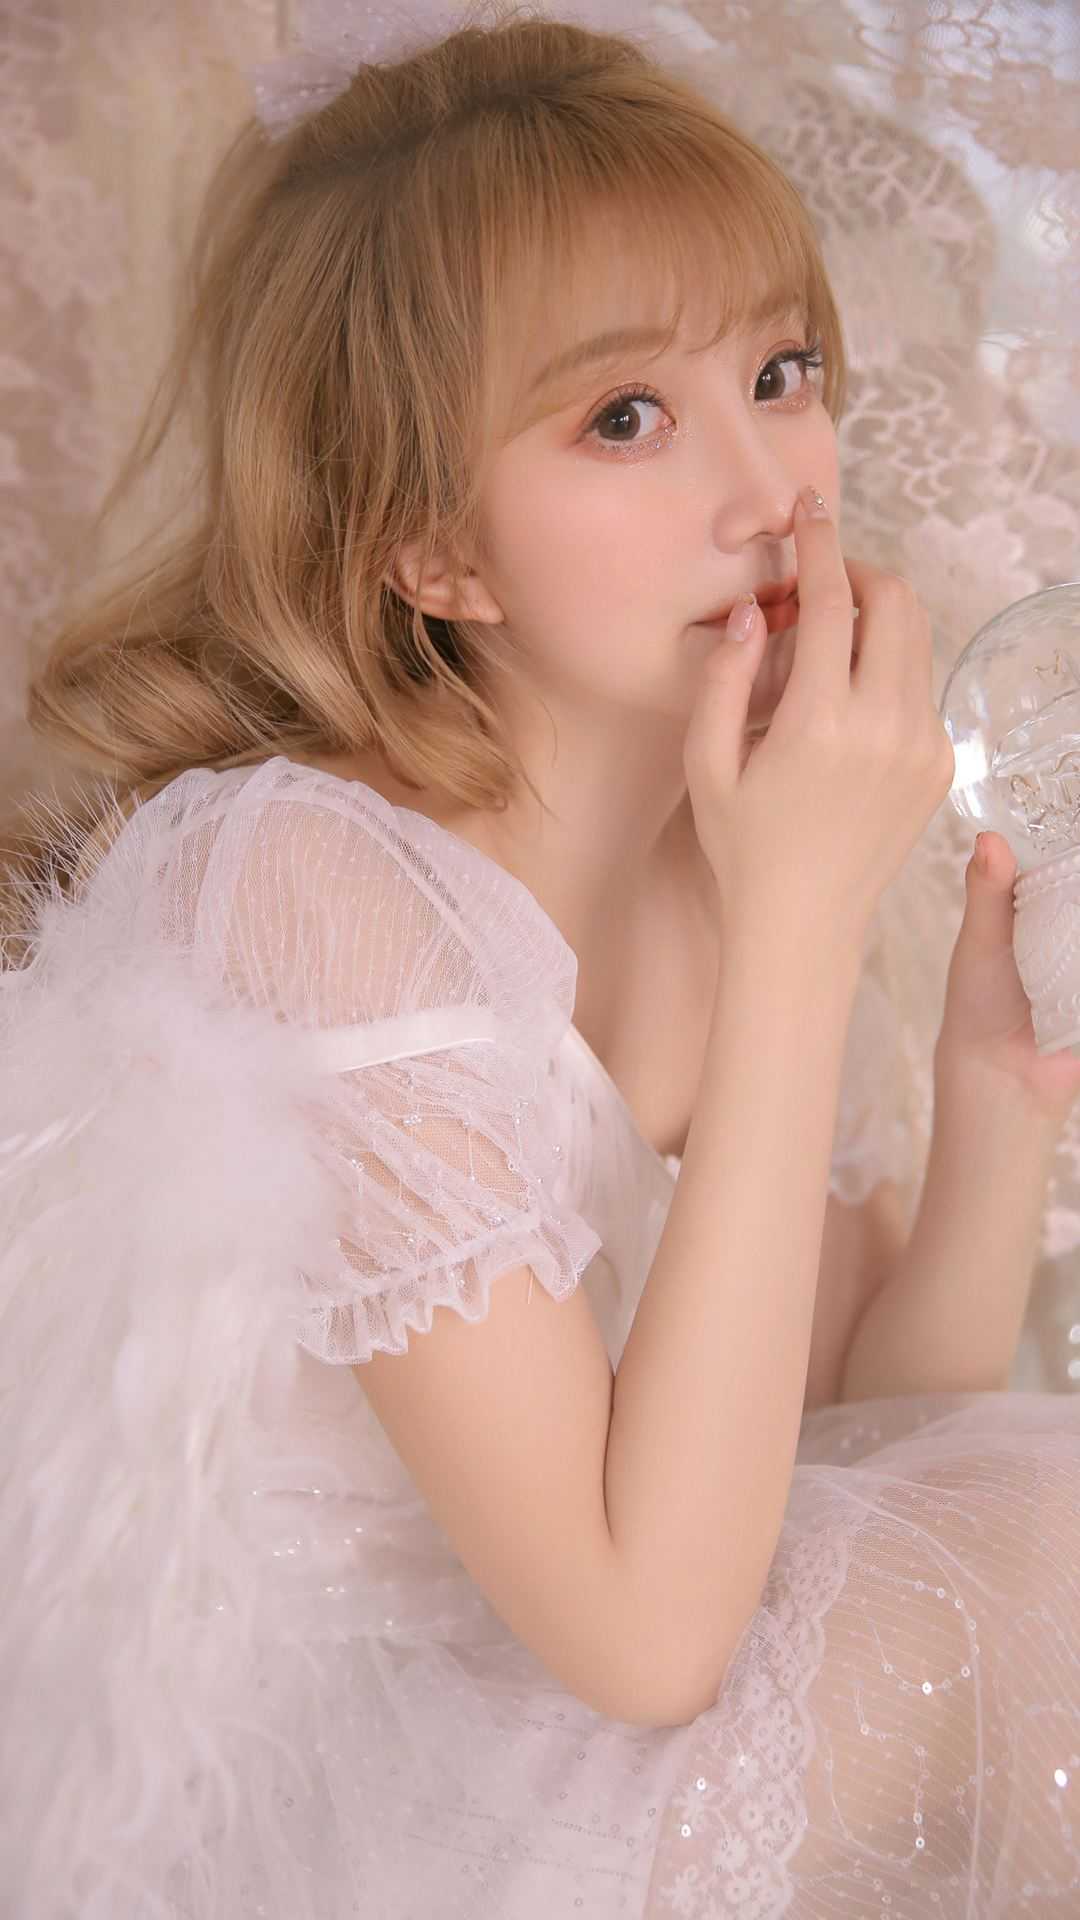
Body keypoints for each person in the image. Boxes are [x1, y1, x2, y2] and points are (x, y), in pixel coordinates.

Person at [2, 7, 1079, 1916]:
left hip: (596, 1719)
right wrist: (802, 933)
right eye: (624, 419)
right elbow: (651, 1637)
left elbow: (854, 1461)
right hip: (348, 1803)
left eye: (782, 371)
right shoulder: (303, 884)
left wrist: (995, 1103)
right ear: (431, 550)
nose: (772, 491)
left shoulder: (725, 857)